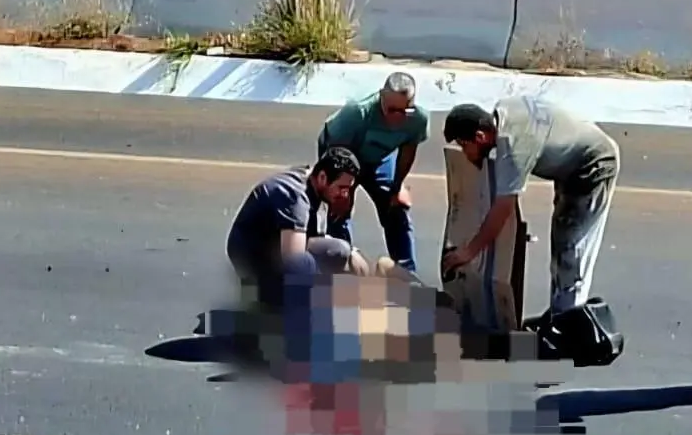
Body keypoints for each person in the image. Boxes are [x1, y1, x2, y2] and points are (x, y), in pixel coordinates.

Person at [440, 96, 620, 320]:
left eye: (464, 146)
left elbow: (502, 210)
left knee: (572, 251)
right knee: (561, 243)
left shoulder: (513, 147)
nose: (464, 153)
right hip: (571, 166)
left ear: (480, 136)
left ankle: (570, 324)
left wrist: (469, 252)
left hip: (594, 165)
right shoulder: (503, 111)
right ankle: (560, 314)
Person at [226, 147, 374, 311]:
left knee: (344, 253)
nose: (345, 195)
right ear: (323, 177)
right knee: (321, 267)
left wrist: (352, 255)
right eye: (341, 188)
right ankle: (267, 300)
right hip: (253, 256)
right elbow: (295, 261)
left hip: (276, 243)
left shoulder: (312, 179)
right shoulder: (296, 198)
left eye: (348, 189)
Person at [317, 72, 430, 273]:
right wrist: (344, 191)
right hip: (342, 152)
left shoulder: (418, 119)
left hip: (379, 157)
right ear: (381, 98)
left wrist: (397, 187)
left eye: (404, 110)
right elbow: (337, 153)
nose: (397, 117)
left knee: (396, 208)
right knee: (339, 208)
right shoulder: (358, 113)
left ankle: (407, 273)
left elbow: (407, 151)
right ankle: (344, 267)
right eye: (391, 109)